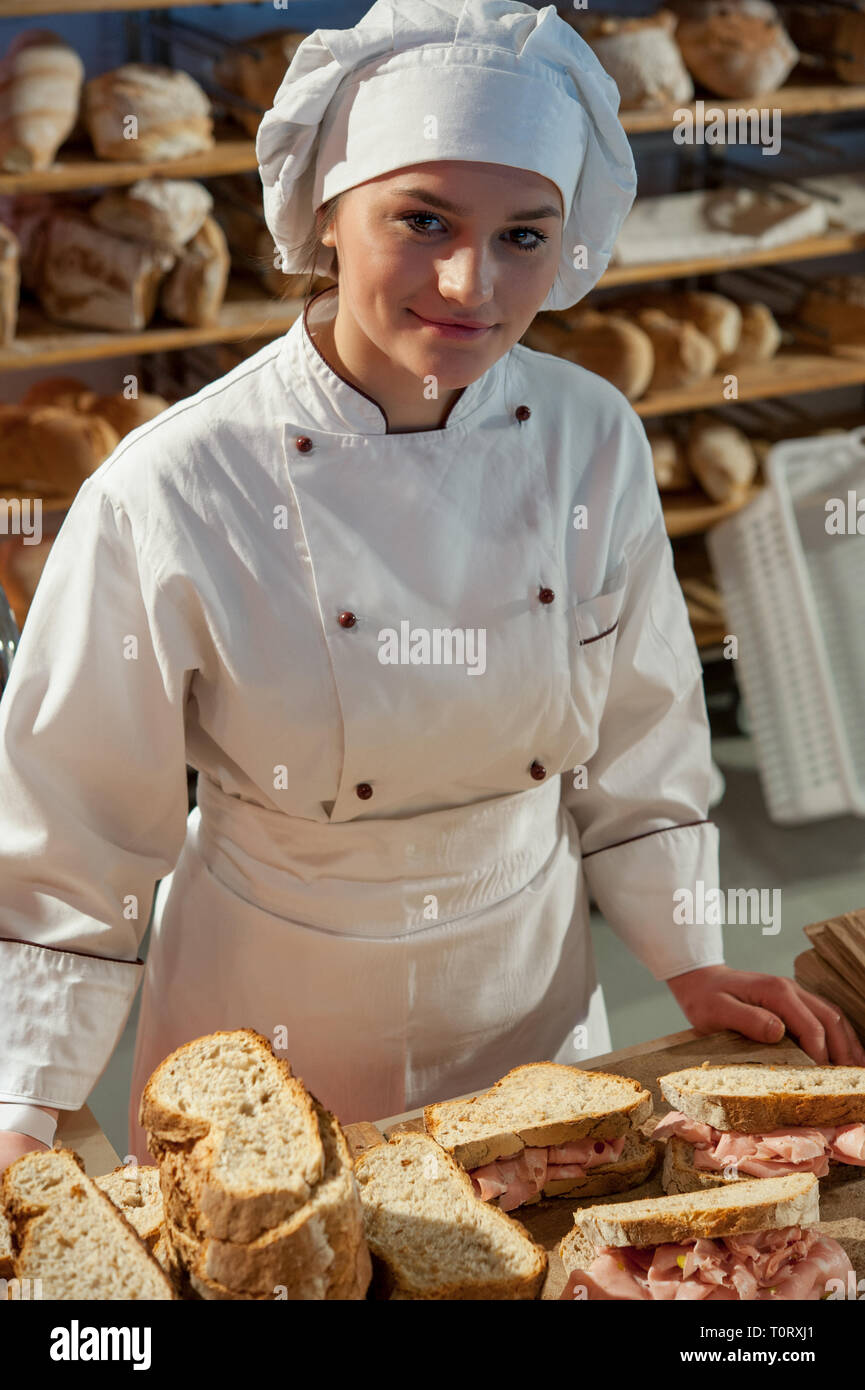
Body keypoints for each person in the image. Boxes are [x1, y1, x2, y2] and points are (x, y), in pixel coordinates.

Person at [1, 0, 862, 1175]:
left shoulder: (590, 436)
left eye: (524, 236)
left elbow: (641, 736)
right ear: (323, 215)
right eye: (421, 219)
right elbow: (73, 832)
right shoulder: (178, 483)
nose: (471, 283)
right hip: (271, 1018)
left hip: (530, 998)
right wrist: (25, 1101)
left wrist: (689, 956)